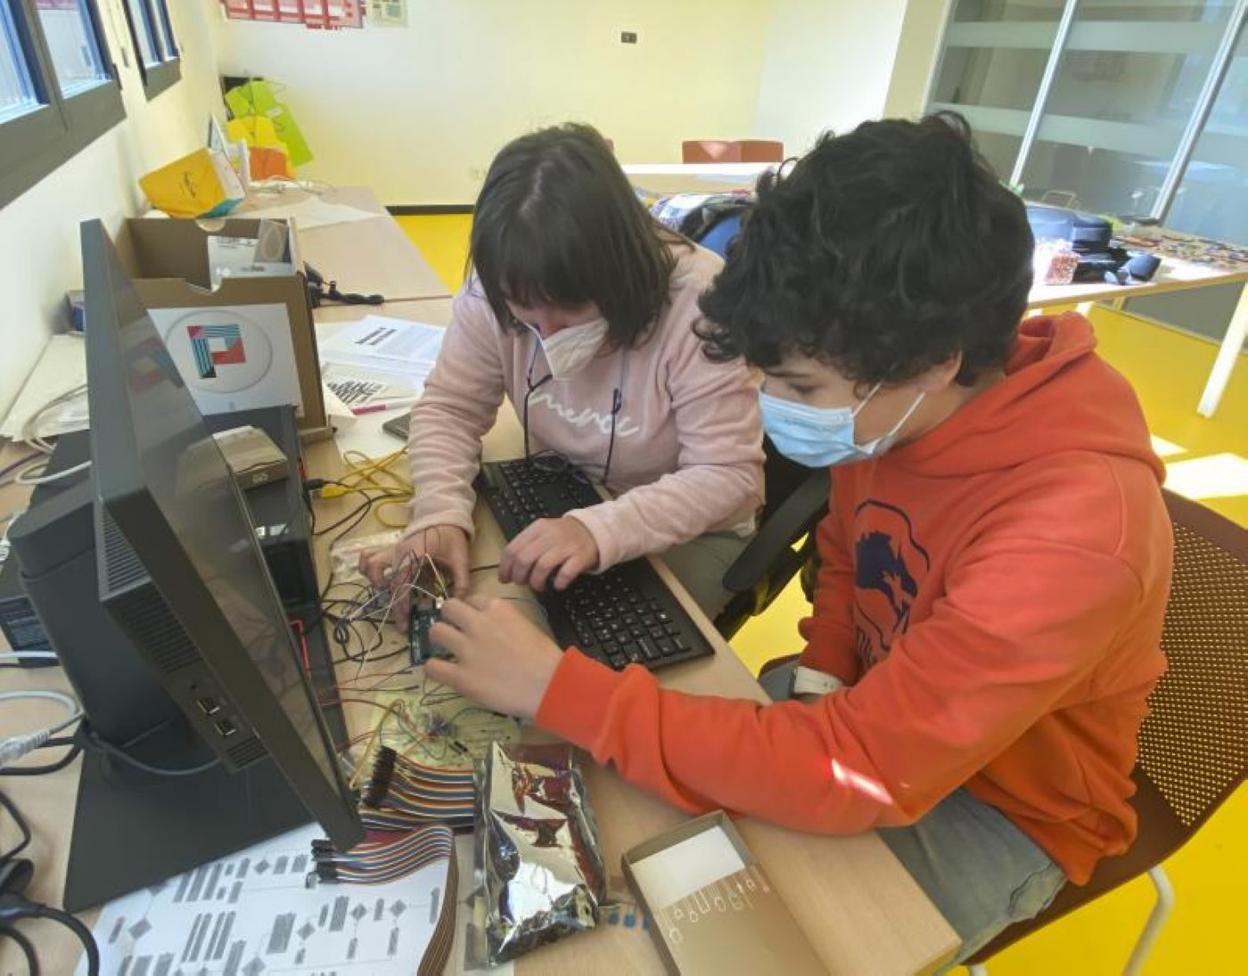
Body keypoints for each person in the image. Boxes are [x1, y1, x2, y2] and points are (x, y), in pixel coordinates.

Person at [421, 114, 1174, 966]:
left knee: (702, 932)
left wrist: (560, 688)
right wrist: (821, 677)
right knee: (627, 849)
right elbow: (851, 562)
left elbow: (856, 768)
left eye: (796, 385)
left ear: (932, 362)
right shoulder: (900, 418)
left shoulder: (1072, 533)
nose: (775, 411)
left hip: (997, 806)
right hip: (869, 719)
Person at [361, 123, 764, 617]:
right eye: (527, 315)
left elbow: (729, 477)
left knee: (541, 654)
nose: (547, 335)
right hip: (565, 491)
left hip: (691, 531)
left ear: (622, 274)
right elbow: (450, 408)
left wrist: (598, 529)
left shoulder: (702, 303)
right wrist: (438, 513)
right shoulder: (498, 284)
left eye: (569, 313)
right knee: (463, 611)